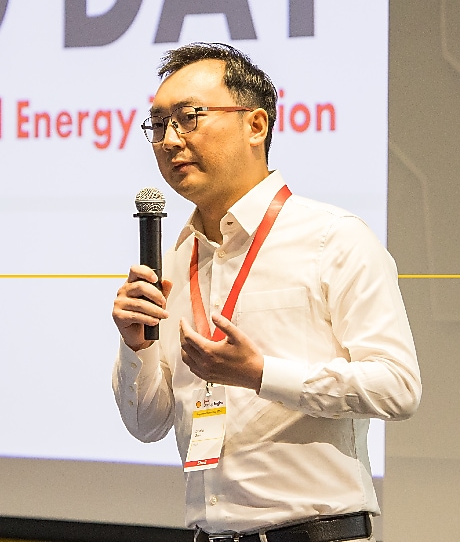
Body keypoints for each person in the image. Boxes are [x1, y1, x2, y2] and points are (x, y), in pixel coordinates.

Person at [111, 42, 421, 542]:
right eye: (158, 124)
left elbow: (397, 387)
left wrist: (261, 374)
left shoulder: (332, 238)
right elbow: (148, 424)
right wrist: (136, 347)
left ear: (256, 126)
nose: (169, 140)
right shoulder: (171, 260)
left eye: (189, 117)